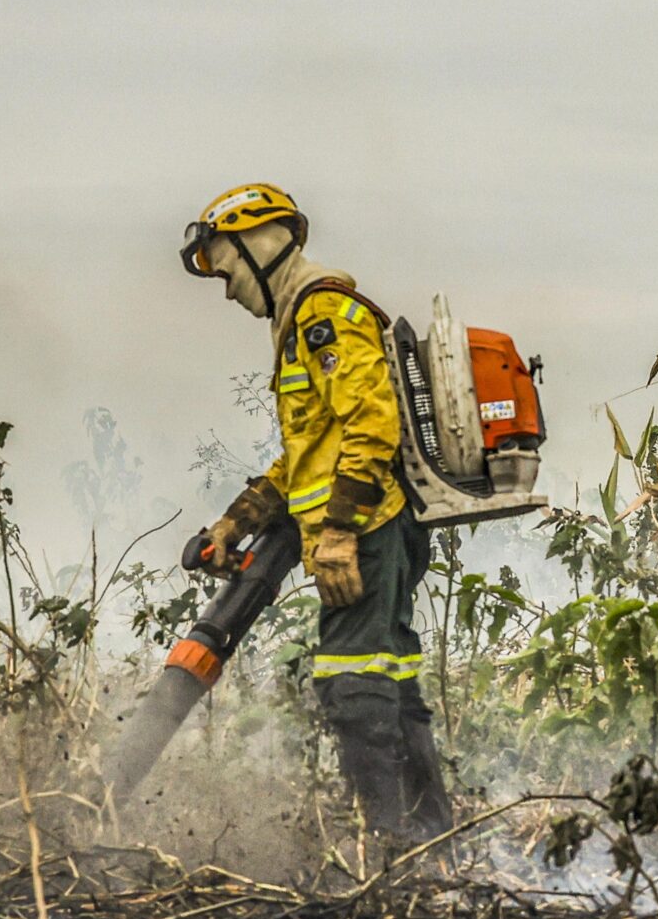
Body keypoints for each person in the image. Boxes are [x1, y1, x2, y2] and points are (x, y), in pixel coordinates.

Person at [179, 183, 454, 842]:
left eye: (228, 269)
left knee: (352, 686)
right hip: (369, 528)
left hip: (366, 529)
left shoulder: (321, 315)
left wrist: (337, 530)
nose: (228, 291)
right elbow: (309, 456)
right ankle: (432, 848)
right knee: (391, 684)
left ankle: (390, 857)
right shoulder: (304, 322)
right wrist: (236, 522)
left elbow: (372, 421)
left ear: (260, 244)